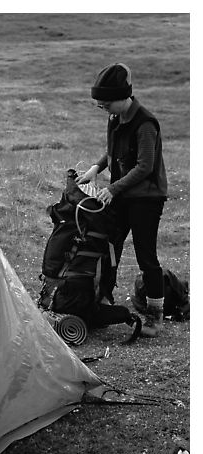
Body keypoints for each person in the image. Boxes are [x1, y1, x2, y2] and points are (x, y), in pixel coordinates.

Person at [76, 63, 168, 337]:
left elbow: (145, 167)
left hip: (146, 198)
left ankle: (154, 315)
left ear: (122, 96)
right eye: (100, 105)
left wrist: (113, 189)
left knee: (145, 255)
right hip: (124, 194)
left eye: (106, 104)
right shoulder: (115, 118)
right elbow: (112, 151)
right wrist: (96, 168)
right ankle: (103, 300)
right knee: (109, 245)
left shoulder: (145, 124)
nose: (103, 109)